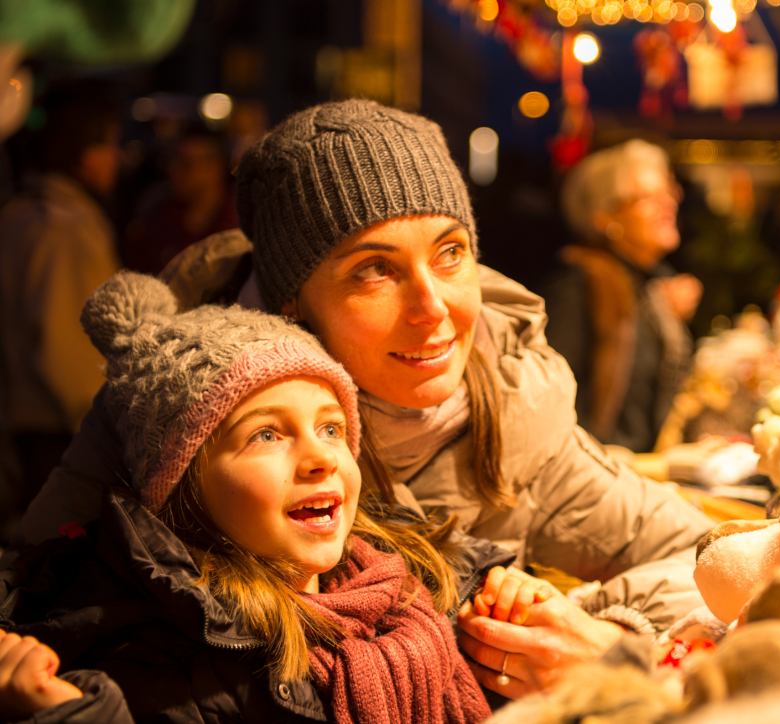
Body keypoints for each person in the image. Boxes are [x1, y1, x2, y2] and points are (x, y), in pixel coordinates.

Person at [6, 100, 714, 699]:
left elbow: (714, 558)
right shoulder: (171, 406)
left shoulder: (511, 409)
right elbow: (29, 598)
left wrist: (607, 635)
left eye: (450, 252)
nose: (433, 309)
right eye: (374, 270)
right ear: (291, 303)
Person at [0, 271, 494, 723]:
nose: (320, 458)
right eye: (266, 435)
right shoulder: (165, 668)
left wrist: (511, 598)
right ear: (185, 485)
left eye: (330, 428)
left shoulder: (410, 573)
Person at [0, 83, 121, 511]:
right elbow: (65, 346)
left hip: (26, 425)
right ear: (83, 152)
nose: (116, 158)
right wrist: (108, 434)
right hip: (60, 431)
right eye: (109, 144)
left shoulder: (19, 211)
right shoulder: (64, 226)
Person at [542, 140, 703, 453]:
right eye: (646, 197)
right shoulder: (578, 286)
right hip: (598, 470)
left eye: (668, 192)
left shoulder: (645, 285)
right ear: (605, 217)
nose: (667, 204)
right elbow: (550, 406)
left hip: (642, 467)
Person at [123, 126, 238, 275]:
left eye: (187, 163)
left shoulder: (240, 224)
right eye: (174, 160)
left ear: (216, 168)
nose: (175, 170)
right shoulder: (158, 219)